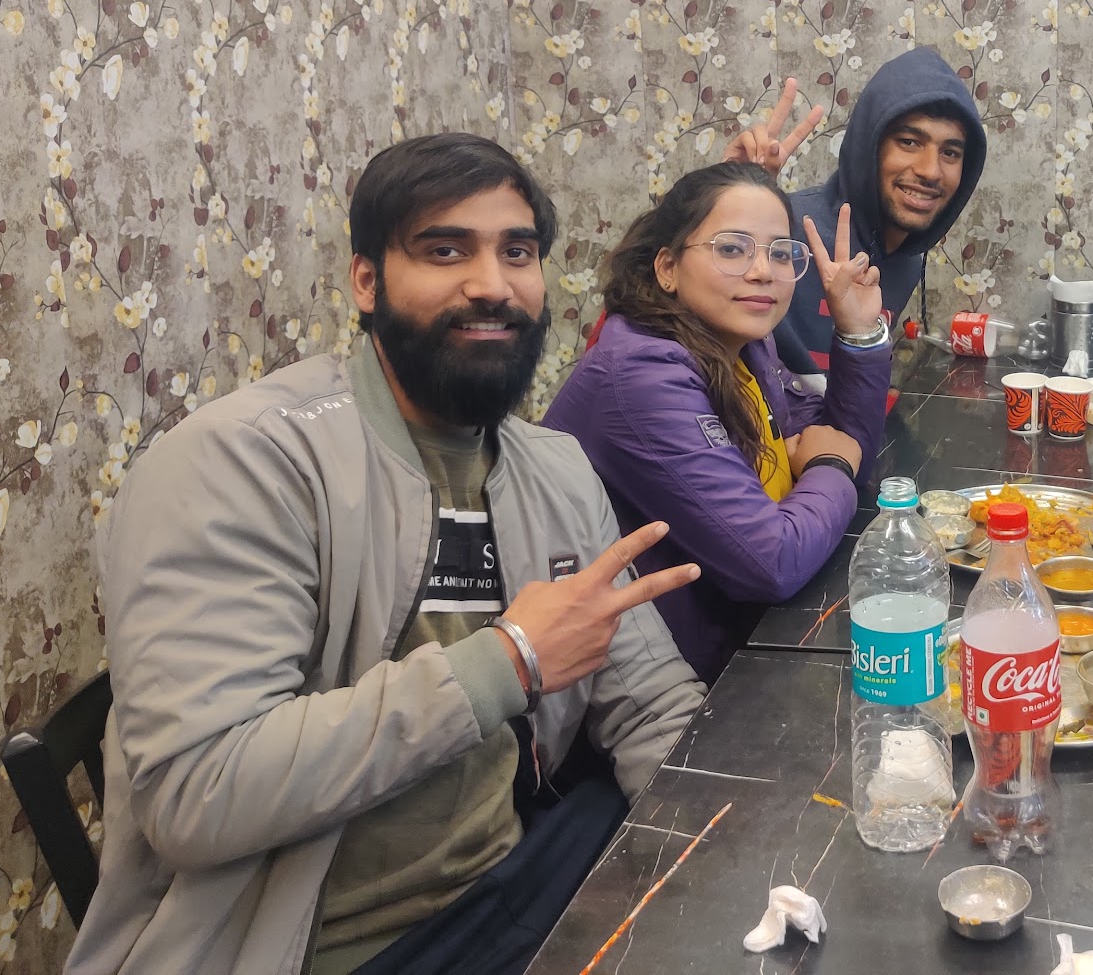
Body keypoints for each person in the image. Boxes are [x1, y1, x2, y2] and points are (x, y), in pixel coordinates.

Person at [67, 134, 706, 975]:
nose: (492, 283)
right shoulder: (242, 462)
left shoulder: (552, 467)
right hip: (333, 946)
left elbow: (652, 706)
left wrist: (735, 850)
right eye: (446, 251)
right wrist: (507, 661)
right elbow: (198, 791)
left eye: (517, 252)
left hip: (506, 880)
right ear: (366, 281)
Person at [542, 163, 893, 683]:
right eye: (732, 249)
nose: (763, 271)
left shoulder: (745, 345)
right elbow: (773, 561)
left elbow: (843, 445)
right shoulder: (642, 373)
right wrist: (829, 466)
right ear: (667, 268)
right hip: (654, 691)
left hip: (737, 642)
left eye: (780, 253)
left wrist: (859, 332)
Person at [725, 49, 987, 373]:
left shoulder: (906, 258)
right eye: (909, 142)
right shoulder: (788, 228)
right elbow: (678, 306)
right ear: (869, 146)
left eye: (950, 153)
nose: (931, 171)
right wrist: (727, 204)